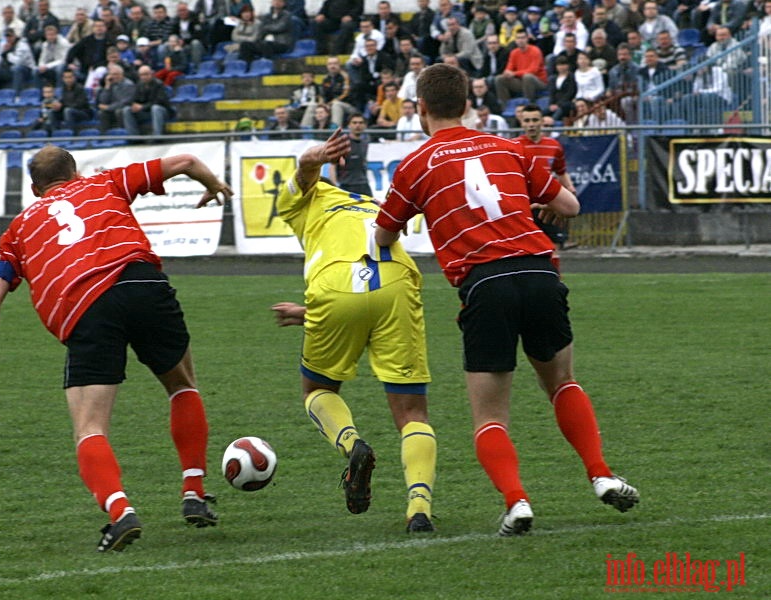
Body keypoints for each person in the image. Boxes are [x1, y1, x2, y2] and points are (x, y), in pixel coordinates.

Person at [374, 63, 640, 537]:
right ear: (469, 105)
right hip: (539, 272)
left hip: (484, 284)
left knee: (490, 416)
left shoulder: (415, 164)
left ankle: (517, 502)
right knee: (562, 383)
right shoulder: (510, 147)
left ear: (421, 109)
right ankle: (601, 475)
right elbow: (570, 207)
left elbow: (381, 234)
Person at [0, 145, 233, 552]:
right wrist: (213, 184)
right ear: (74, 173)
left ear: (36, 189)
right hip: (141, 283)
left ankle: (121, 511)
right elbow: (186, 162)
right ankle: (194, 492)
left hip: (85, 308)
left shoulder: (17, 232)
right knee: (182, 386)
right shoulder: (105, 182)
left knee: (89, 427)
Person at [270, 129, 436, 533]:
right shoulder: (372, 204)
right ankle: (420, 509)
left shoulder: (303, 203)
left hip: (334, 287)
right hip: (396, 283)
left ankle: (352, 444)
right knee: (412, 412)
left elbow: (305, 168)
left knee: (317, 390)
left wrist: (316, 157)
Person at [514, 103, 575, 248]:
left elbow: (561, 171)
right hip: (526, 205)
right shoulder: (514, 146)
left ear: (542, 121)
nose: (531, 125)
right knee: (527, 248)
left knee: (553, 246)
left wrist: (570, 188)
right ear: (521, 122)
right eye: (527, 121)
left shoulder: (554, 145)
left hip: (548, 203)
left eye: (535, 120)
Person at [494, 30, 546, 105]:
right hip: (521, 81)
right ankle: (504, 107)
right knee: (499, 79)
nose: (520, 40)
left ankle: (529, 105)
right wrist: (507, 73)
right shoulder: (514, 52)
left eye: (523, 38)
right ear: (515, 40)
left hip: (538, 81)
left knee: (527, 77)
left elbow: (533, 71)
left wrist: (514, 73)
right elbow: (509, 68)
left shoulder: (535, 51)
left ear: (527, 39)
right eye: (518, 38)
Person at [122, 65, 175, 138]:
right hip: (146, 111)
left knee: (155, 108)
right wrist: (133, 105)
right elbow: (133, 98)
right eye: (141, 75)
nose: (144, 77)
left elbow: (159, 101)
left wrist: (142, 107)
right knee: (127, 110)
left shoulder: (158, 84)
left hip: (162, 111)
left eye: (146, 74)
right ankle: (134, 137)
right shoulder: (139, 85)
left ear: (151, 74)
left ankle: (157, 136)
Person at [0, 28, 35, 98]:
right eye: (7, 36)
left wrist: (8, 53)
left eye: (10, 36)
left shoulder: (22, 45)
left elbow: (18, 62)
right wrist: (3, 52)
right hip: (10, 70)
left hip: (26, 69)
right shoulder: (3, 45)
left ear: (14, 36)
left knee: (16, 68)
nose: (9, 38)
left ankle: (17, 96)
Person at [333, 114, 372, 196]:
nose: (358, 125)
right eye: (354, 123)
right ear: (349, 125)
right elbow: (333, 166)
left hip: (363, 185)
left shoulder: (366, 142)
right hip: (346, 186)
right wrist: (334, 186)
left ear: (365, 125)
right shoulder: (343, 143)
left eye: (361, 123)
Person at [97, 62, 135, 130]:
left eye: (116, 74)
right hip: (113, 110)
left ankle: (123, 133)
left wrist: (108, 107)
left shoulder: (129, 85)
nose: (113, 77)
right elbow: (103, 101)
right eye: (111, 74)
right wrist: (107, 86)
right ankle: (104, 136)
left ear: (122, 75)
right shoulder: (111, 84)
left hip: (124, 111)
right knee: (102, 113)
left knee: (119, 111)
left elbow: (124, 103)